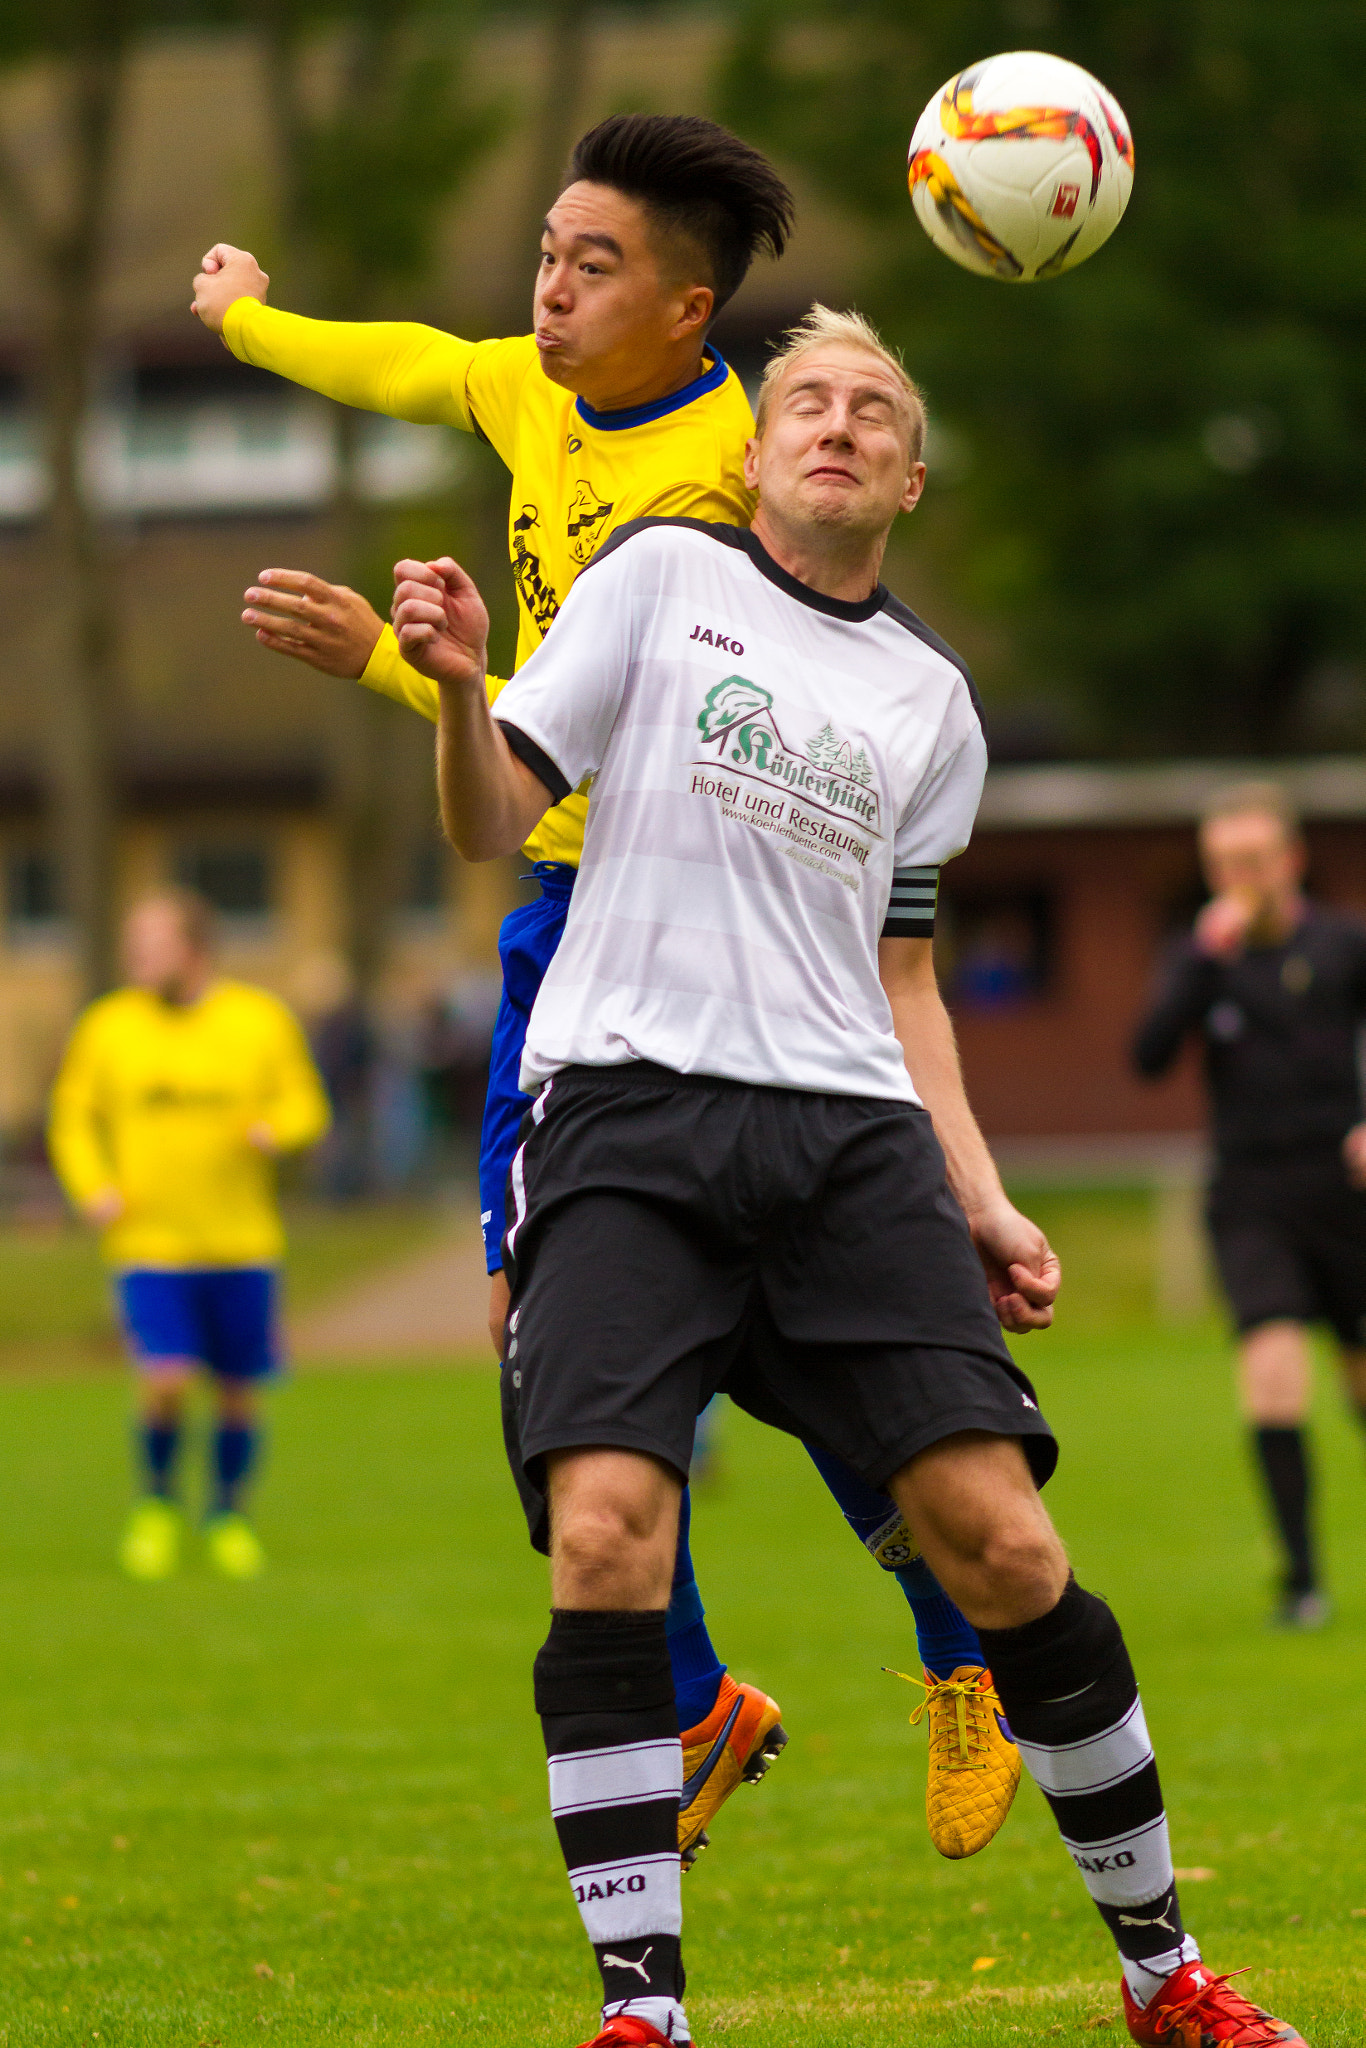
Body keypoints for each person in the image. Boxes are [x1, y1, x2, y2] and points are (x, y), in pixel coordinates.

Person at [392, 307, 1302, 2048]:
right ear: (752, 450)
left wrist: (982, 1187)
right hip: (629, 1117)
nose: (834, 422)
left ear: (909, 471)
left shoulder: (934, 706)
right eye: (804, 397)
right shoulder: (656, 579)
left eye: (873, 408)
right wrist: (450, 686)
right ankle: (642, 2012)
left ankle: (1161, 1969)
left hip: (845, 1143)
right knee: (606, 1530)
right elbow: (487, 815)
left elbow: (904, 986)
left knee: (1005, 1546)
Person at [190, 113, 1014, 1860]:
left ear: (689, 310)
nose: (547, 294)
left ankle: (965, 1647)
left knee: (815, 1354)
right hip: (553, 931)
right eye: (546, 257)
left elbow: (641, 755)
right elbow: (422, 365)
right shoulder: (537, 391)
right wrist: (254, 324)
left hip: (688, 927)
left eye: (590, 266)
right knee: (534, 1355)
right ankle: (702, 1695)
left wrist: (394, 676)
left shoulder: (724, 481)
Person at [1134, 780, 1366, 1629]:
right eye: (1223, 863)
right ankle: (1302, 1583)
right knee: (1272, 1378)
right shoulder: (1197, 959)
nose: (1239, 877)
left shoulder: (1344, 945)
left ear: (1290, 861)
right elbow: (1148, 1057)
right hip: (1250, 1196)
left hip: (1345, 1194)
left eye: (1254, 860)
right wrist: (1200, 961)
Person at [48, 890, 331, 1581]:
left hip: (243, 1243)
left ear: (194, 947)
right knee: (167, 1378)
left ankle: (229, 1515)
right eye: (133, 944)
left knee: (237, 1388)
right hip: (149, 1245)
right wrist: (93, 1187)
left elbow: (306, 1102)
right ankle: (157, 1504)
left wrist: (280, 1130)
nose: (136, 957)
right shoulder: (108, 1026)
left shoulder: (257, 1020)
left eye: (151, 944)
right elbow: (72, 1116)